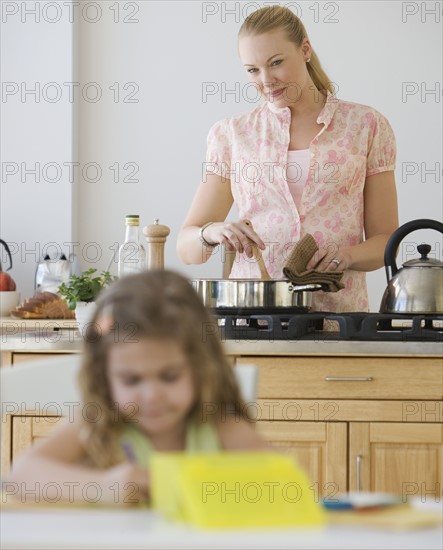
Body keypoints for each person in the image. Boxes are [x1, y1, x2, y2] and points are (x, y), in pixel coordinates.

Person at [177, 6, 399, 312]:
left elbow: (386, 240)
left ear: (305, 49)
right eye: (253, 70)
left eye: (276, 62)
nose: (266, 80)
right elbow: (187, 248)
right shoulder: (232, 134)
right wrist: (212, 232)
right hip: (253, 317)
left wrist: (346, 257)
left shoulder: (366, 126)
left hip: (338, 317)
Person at [7, 270, 268, 505]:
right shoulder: (97, 422)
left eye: (169, 376)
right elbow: (21, 478)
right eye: (131, 380)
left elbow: (287, 485)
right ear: (103, 377)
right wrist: (103, 487)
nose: (152, 396)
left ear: (202, 368)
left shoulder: (219, 425)